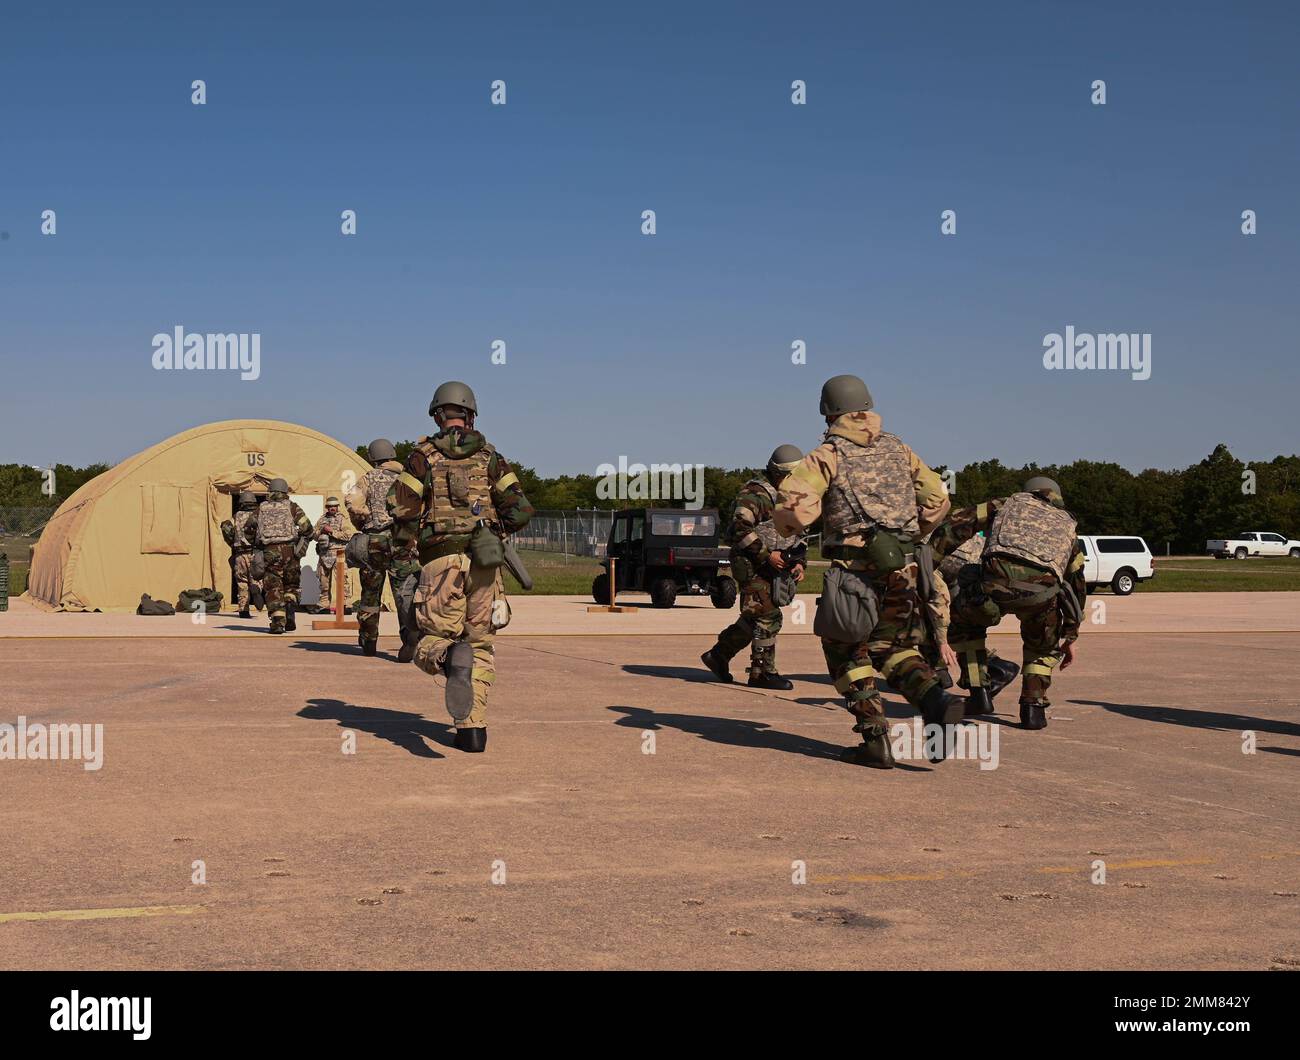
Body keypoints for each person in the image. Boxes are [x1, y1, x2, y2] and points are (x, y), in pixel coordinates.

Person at [773, 374, 963, 768]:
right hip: (906, 567)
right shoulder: (899, 448)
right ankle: (934, 698)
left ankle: (875, 739)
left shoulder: (828, 454)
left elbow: (792, 507)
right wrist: (913, 534)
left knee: (844, 649)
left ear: (828, 412)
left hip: (855, 571)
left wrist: (792, 529)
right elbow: (938, 498)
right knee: (892, 648)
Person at [387, 382, 535, 752]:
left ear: (438, 415)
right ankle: (472, 732)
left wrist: (404, 550)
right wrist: (493, 529)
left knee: (425, 638)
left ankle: (449, 658)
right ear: (471, 414)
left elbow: (403, 509)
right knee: (481, 645)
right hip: (485, 563)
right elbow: (521, 510)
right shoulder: (490, 458)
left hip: (440, 563)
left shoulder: (421, 457)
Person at [930, 476, 1086, 730]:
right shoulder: (1067, 526)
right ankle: (1033, 709)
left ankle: (979, 691)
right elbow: (1077, 584)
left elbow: (957, 525)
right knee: (1042, 647)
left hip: (994, 586)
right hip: (1041, 595)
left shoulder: (1008, 504)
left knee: (966, 622)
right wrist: (1070, 633)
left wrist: (930, 561)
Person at [701, 444, 806, 689]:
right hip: (752, 563)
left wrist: (799, 562)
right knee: (768, 615)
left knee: (753, 616)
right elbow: (740, 528)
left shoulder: (791, 494)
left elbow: (799, 532)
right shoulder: (755, 493)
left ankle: (718, 655)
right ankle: (762, 672)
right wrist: (767, 555)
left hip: (777, 564)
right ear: (781, 473)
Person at [345, 439, 421, 659]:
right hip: (402, 541)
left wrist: (366, 520)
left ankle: (369, 641)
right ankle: (410, 637)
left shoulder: (368, 478)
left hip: (375, 541)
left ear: (372, 457)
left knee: (370, 593)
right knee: (405, 591)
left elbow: (352, 502)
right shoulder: (406, 479)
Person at [255, 477, 312, 634]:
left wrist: (258, 544)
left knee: (273, 587)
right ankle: (290, 611)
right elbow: (307, 527)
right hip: (290, 552)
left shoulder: (261, 508)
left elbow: (249, 529)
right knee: (291, 585)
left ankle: (278, 622)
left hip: (270, 552)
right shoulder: (292, 507)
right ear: (285, 491)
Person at [220, 490, 261, 619]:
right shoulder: (258, 515)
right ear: (254, 502)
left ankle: (243, 610)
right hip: (255, 552)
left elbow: (225, 526)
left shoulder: (236, 516)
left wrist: (232, 542)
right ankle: (257, 589)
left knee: (242, 582)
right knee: (257, 578)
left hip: (240, 554)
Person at [312, 496, 352, 613]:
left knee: (342, 581)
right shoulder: (322, 519)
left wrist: (331, 531)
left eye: (334, 506)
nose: (332, 508)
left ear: (337, 507)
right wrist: (321, 532)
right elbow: (313, 535)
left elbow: (347, 535)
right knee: (324, 581)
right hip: (324, 554)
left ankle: (346, 605)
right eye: (330, 506)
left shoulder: (342, 519)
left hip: (339, 553)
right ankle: (324, 605)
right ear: (327, 508)